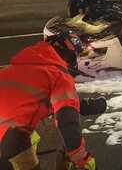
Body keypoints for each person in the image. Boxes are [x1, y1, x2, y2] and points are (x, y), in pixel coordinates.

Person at [0, 33, 97, 170]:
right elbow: (67, 121)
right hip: (9, 137)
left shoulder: (12, 69)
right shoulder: (58, 76)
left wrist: (84, 105)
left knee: (32, 136)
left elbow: (23, 100)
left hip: (7, 131)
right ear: (69, 56)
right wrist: (81, 158)